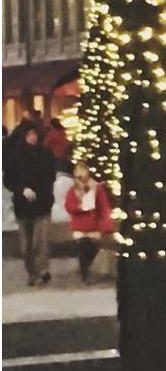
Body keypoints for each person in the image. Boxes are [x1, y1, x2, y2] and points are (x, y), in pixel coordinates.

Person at [5, 115, 58, 286]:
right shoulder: (15, 157)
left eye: (34, 134)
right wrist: (22, 190)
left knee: (40, 241)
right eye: (29, 135)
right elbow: (8, 180)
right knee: (26, 244)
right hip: (23, 206)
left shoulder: (46, 154)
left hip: (42, 205)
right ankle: (32, 271)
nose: (32, 138)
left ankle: (41, 270)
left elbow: (51, 176)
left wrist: (45, 192)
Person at [56, 160, 116, 281]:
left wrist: (107, 224)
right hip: (79, 226)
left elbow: (104, 206)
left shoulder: (97, 188)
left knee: (92, 249)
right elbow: (69, 206)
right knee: (84, 247)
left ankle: (87, 269)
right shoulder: (73, 190)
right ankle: (85, 272)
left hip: (94, 225)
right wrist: (79, 208)